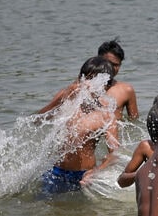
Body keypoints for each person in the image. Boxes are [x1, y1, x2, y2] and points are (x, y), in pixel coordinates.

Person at [39, 56, 120, 194]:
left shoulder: (106, 114)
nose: (88, 85)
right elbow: (39, 119)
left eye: (95, 81)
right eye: (86, 79)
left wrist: (96, 172)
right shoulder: (67, 98)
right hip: (56, 171)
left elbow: (115, 154)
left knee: (82, 215)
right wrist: (63, 101)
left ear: (105, 85)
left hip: (83, 176)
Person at [98, 38, 139, 121]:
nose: (111, 68)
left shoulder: (126, 90)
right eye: (109, 63)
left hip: (115, 132)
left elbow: (134, 122)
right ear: (98, 60)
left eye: (116, 65)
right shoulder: (83, 87)